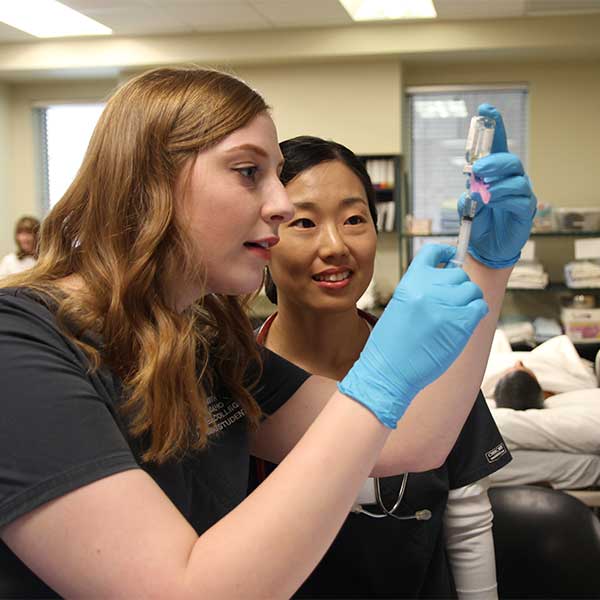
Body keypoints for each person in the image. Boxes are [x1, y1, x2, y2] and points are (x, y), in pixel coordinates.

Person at [0, 67, 534, 599]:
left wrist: (488, 266)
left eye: (275, 174)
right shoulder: (22, 346)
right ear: (148, 184)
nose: (280, 205)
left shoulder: (200, 342)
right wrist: (381, 376)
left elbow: (415, 439)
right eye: (248, 172)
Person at [252, 135, 512, 599]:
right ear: (263, 237)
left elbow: (468, 517)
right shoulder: (237, 380)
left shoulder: (434, 361)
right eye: (304, 222)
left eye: (355, 219)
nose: (335, 245)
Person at [483, 329, 599, 409]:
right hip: (548, 361)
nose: (518, 362)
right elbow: (584, 383)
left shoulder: (485, 386)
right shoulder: (563, 387)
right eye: (522, 367)